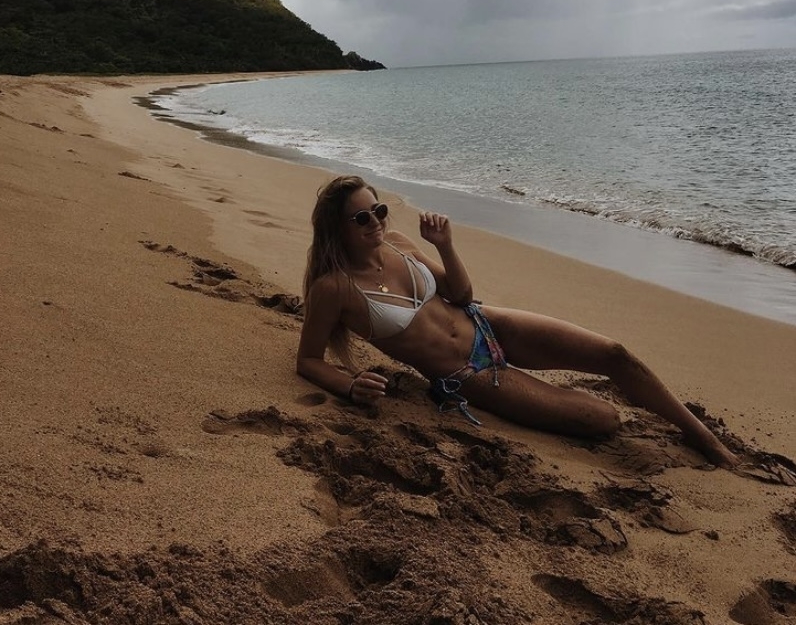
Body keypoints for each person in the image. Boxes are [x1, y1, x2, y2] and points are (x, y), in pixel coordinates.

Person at [297, 175, 737, 467]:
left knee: (614, 354)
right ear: (338, 228)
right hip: (469, 375)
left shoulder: (397, 243)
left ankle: (700, 435)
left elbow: (460, 295)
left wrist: (445, 245)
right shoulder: (334, 289)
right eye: (361, 218)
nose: (375, 222)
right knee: (603, 419)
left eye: (378, 210)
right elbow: (309, 360)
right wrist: (349, 386)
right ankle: (566, 399)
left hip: (487, 323)